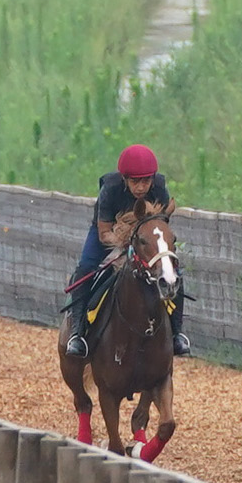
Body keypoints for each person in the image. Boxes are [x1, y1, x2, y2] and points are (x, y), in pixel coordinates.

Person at [64, 142, 190, 358]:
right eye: (135, 181)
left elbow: (161, 223)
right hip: (109, 233)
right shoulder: (110, 190)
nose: (141, 187)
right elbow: (104, 233)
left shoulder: (159, 187)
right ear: (124, 179)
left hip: (145, 234)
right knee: (85, 267)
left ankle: (177, 333)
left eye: (146, 181)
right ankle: (77, 332)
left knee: (172, 273)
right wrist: (125, 242)